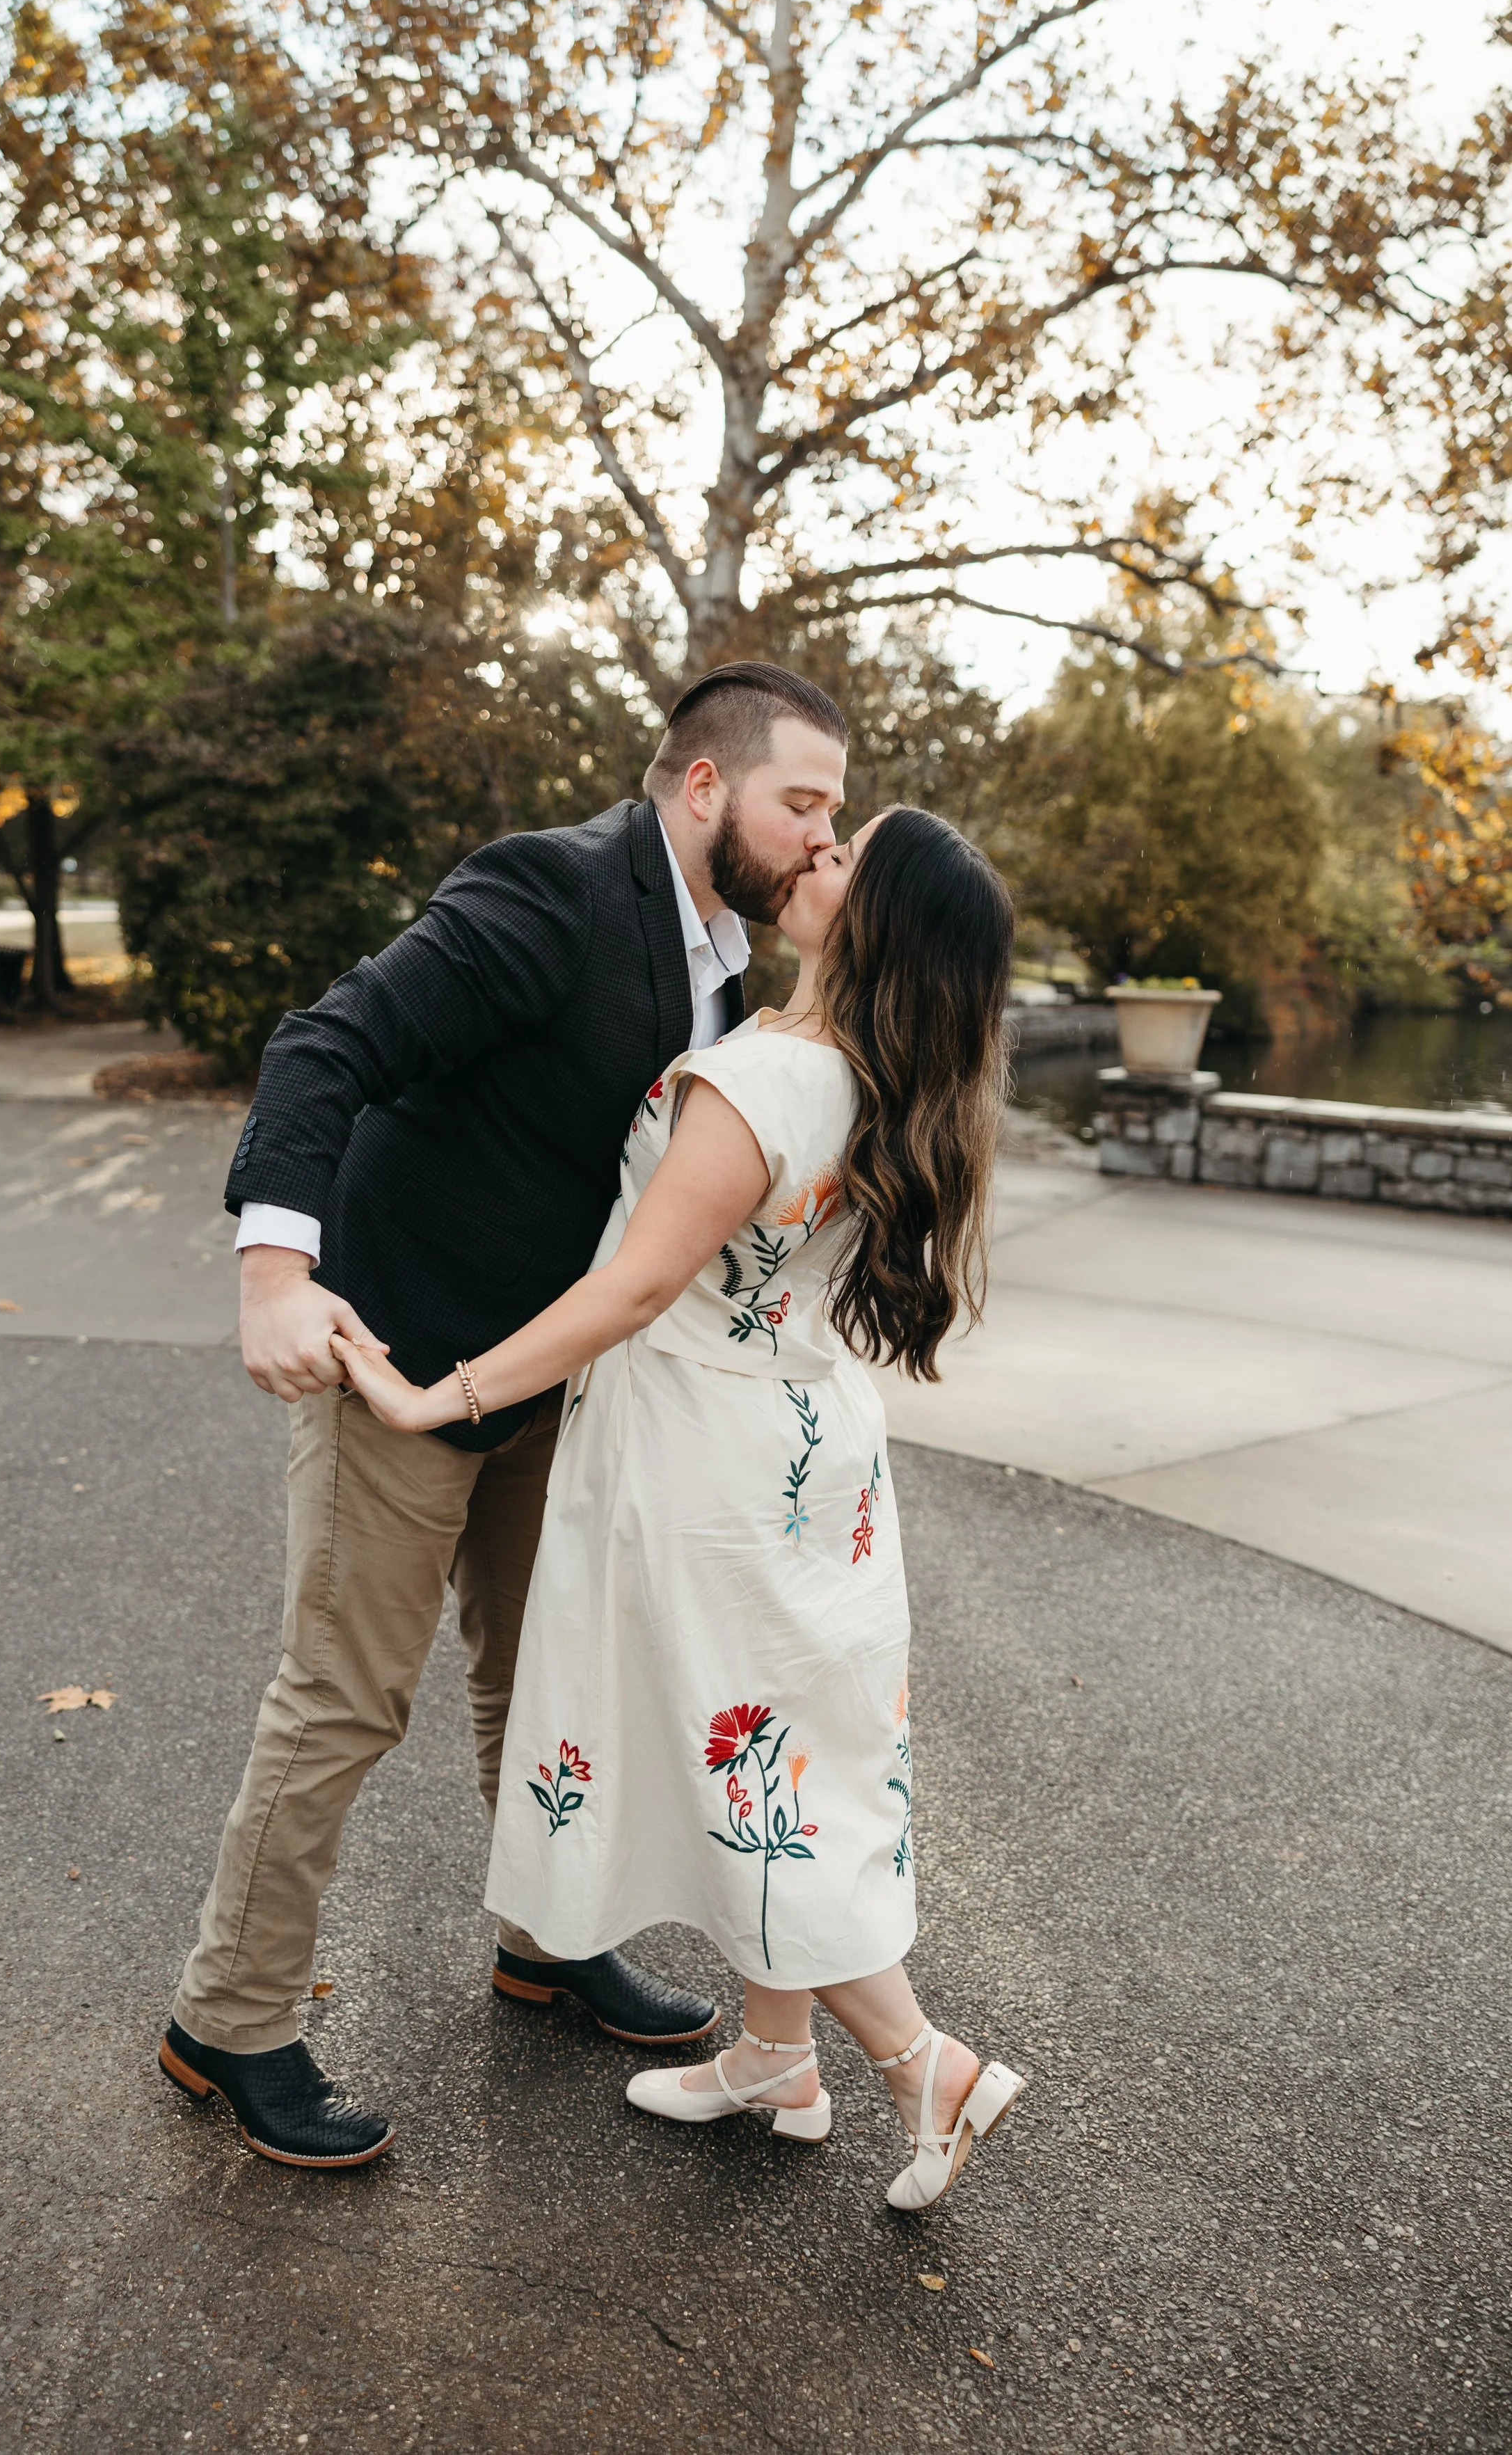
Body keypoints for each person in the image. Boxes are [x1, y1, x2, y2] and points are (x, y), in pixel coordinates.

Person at [159, 663, 850, 2169]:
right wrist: (277, 1270)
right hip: (398, 1355)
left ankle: (546, 1942)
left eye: (834, 814)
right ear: (700, 787)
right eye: (800, 801)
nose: (817, 836)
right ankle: (228, 2021)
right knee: (343, 1700)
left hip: (554, 1379)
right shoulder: (547, 892)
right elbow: (321, 1047)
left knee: (545, 1681)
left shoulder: (737, 957)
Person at [333, 805, 1027, 2211]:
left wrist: (436, 1397)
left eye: (845, 858)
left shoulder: (765, 1079)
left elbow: (629, 1289)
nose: (812, 859)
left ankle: (919, 2064)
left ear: (876, 920)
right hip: (799, 1444)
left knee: (751, 1780)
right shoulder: (881, 1078)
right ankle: (776, 2057)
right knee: (784, 1755)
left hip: (706, 1458)